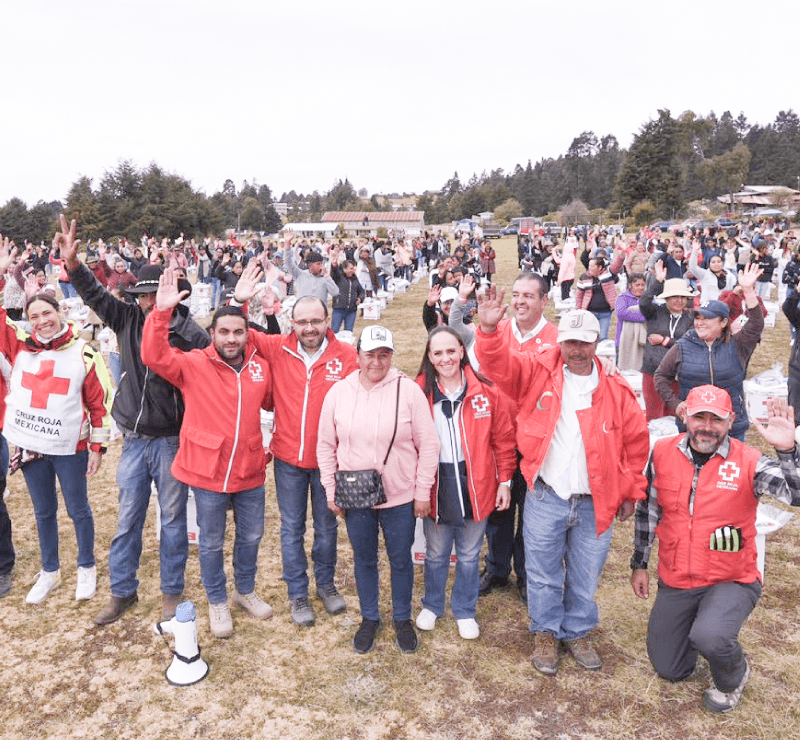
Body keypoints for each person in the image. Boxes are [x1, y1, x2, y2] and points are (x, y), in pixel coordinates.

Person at [475, 297, 649, 674]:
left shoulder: (617, 388)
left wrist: (631, 491)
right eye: (570, 342)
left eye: (584, 342)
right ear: (560, 342)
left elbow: (636, 445)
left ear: (596, 342)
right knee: (541, 571)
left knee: (586, 572)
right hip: (547, 494)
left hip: (595, 500)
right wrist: (487, 331)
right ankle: (545, 630)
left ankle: (578, 630)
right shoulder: (537, 372)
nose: (577, 350)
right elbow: (498, 365)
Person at [59, 215, 211, 624]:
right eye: (142, 295)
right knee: (128, 519)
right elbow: (93, 294)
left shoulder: (192, 335)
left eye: (155, 294)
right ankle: (122, 591)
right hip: (133, 438)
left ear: (173, 294)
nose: (148, 302)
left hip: (171, 441)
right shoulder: (127, 320)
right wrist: (73, 264)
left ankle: (171, 592)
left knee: (173, 520)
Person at [630, 386, 800, 713]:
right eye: (699, 417)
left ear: (731, 420)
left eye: (717, 419)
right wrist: (640, 563)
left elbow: (796, 495)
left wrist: (787, 450)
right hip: (678, 578)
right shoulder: (662, 452)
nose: (707, 427)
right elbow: (648, 512)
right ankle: (703, 626)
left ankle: (733, 675)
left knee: (710, 636)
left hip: (731, 579)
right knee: (670, 668)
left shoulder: (750, 461)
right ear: (685, 416)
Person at [141, 271, 273, 638]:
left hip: (249, 469)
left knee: (251, 536)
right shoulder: (193, 363)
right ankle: (217, 600)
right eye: (224, 332)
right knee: (211, 541)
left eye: (239, 332)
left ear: (247, 335)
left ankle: (244, 590)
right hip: (208, 471)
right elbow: (153, 355)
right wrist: (161, 313)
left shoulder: (260, 367)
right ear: (212, 333)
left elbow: (275, 402)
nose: (231, 339)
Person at [233, 262, 358, 627]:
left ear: (327, 320)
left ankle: (326, 584)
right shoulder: (276, 348)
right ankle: (298, 592)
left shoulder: (346, 356)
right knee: (291, 529)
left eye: (315, 321)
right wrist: (240, 301)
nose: (309, 328)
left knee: (327, 528)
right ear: (291, 323)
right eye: (302, 322)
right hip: (288, 458)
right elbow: (240, 333)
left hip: (328, 462)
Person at [0, 238, 113, 605]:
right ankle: (50, 570)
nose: (41, 322)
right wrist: (2, 276)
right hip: (32, 445)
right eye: (33, 317)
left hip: (71, 445)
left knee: (78, 509)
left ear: (60, 312)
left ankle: (86, 566)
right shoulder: (21, 346)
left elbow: (99, 403)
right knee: (43, 510)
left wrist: (97, 447)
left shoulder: (83, 351)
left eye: (46, 313)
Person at [317, 326, 440, 654]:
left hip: (399, 496)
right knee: (364, 558)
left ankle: (402, 618)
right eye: (370, 354)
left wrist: (422, 491)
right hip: (356, 496)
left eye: (384, 355)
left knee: (400, 559)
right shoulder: (339, 392)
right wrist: (330, 489)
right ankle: (370, 617)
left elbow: (428, 444)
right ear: (357, 355)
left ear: (392, 356)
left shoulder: (408, 391)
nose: (377, 361)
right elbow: (326, 445)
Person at [450, 272, 558, 602]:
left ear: (544, 300)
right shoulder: (495, 329)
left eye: (528, 295)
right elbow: (472, 368)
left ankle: (525, 573)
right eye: (516, 294)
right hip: (497, 437)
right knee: (498, 508)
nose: (520, 301)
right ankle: (497, 569)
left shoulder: (557, 338)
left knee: (531, 512)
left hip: (537, 442)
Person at [414, 327, 516, 639]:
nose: (445, 358)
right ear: (429, 357)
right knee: (436, 553)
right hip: (437, 482)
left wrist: (505, 481)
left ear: (461, 351)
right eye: (438, 353)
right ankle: (432, 604)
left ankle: (465, 609)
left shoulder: (486, 391)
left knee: (470, 554)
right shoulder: (417, 393)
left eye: (451, 351)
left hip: (477, 481)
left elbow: (503, 440)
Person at [654, 263, 764, 441]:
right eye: (698, 318)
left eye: (707, 318)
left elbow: (756, 323)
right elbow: (661, 376)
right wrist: (676, 404)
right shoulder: (683, 346)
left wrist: (748, 291)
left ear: (723, 322)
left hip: (731, 426)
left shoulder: (737, 345)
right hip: (693, 426)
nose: (700, 323)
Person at [639, 266, 694, 421]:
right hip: (653, 371)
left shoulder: (691, 317)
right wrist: (657, 281)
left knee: (675, 413)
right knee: (654, 414)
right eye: (675, 297)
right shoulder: (655, 313)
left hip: (678, 374)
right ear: (667, 298)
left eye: (683, 297)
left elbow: (689, 343)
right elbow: (644, 302)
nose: (679, 301)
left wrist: (664, 341)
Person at [284, 233, 339, 303]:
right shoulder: (300, 275)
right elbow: (288, 262)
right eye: (318, 264)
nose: (321, 266)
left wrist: (327, 276)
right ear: (310, 265)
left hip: (319, 309)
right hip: (303, 308)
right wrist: (287, 245)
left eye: (321, 263)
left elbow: (335, 293)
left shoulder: (325, 278)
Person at [614, 272, 647, 371]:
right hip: (624, 340)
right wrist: (645, 316)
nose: (641, 288)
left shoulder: (647, 299)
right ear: (630, 286)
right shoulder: (622, 298)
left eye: (643, 285)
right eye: (637, 285)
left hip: (642, 341)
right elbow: (622, 313)